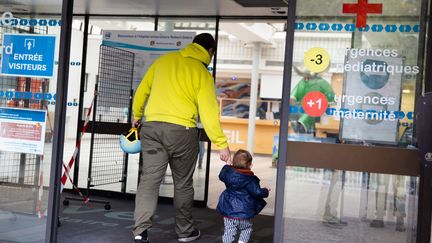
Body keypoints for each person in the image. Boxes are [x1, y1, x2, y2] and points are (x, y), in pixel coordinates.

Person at [131, 33, 231, 243]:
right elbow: (209, 112)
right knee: (183, 184)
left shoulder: (164, 61)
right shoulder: (202, 73)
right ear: (210, 52)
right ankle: (185, 232)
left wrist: (137, 115)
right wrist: (221, 144)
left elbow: (142, 90)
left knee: (149, 181)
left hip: (153, 128)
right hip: (182, 132)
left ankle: (140, 232)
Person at [216, 149, 270, 243]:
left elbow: (221, 175)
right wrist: (266, 190)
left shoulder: (229, 174)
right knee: (246, 229)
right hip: (244, 213)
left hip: (229, 211)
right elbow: (257, 192)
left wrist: (227, 165)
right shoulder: (250, 179)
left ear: (233, 162)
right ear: (249, 165)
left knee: (229, 231)